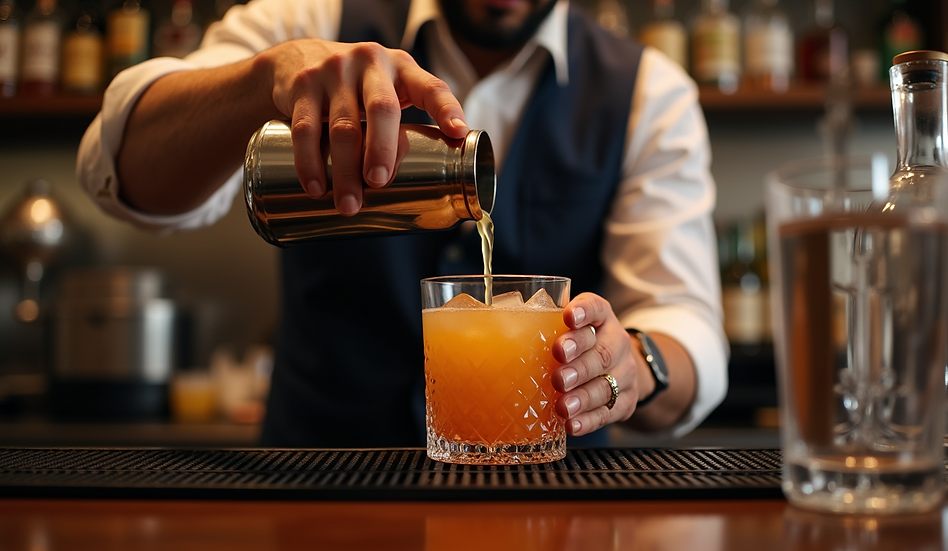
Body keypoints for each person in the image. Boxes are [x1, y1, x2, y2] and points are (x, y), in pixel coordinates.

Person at [76, 0, 728, 448]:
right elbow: (113, 167)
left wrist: (633, 363)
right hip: (318, 499)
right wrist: (263, 80)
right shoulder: (313, 19)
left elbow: (687, 324)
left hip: (551, 514)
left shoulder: (648, 91)